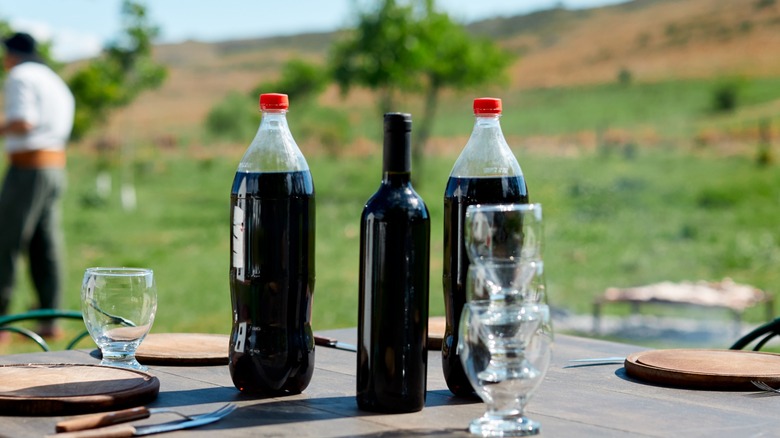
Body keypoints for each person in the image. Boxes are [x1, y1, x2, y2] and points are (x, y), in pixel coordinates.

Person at [0, 32, 75, 343]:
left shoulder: (20, 75)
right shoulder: (53, 79)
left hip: (28, 167)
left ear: (12, 54)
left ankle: (3, 321)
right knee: (46, 245)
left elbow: (23, 120)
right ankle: (50, 318)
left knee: (6, 242)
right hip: (54, 166)